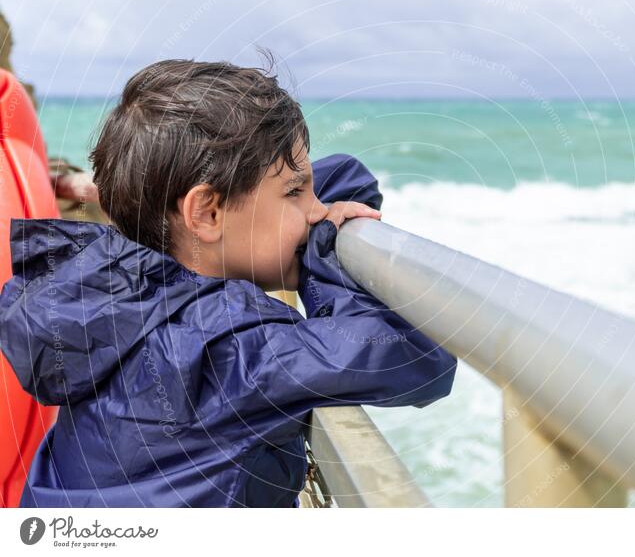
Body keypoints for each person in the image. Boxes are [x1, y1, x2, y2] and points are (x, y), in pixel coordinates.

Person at [0, 56, 457, 508]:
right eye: (295, 193)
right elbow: (419, 350)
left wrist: (303, 210)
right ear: (208, 213)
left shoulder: (108, 284)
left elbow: (344, 174)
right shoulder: (230, 351)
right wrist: (321, 251)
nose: (317, 209)